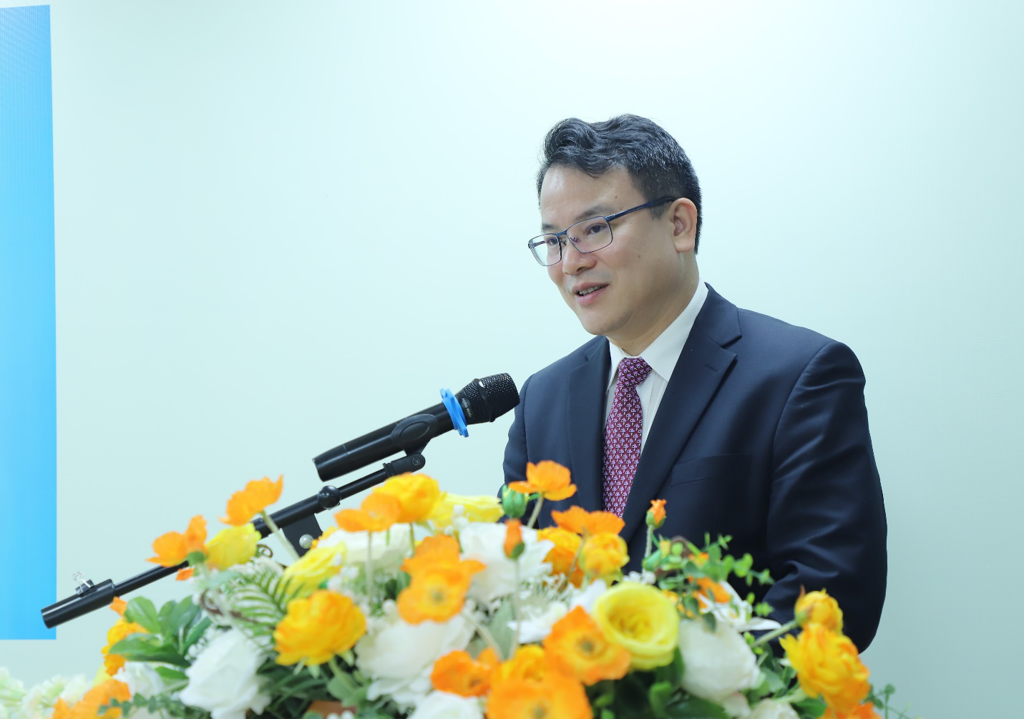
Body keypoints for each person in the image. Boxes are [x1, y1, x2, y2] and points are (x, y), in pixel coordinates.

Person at [502, 115, 887, 650]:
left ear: (680, 225)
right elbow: (518, 581)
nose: (571, 262)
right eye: (554, 240)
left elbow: (833, 593)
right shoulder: (542, 400)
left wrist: (670, 684)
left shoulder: (799, 376)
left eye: (595, 228)